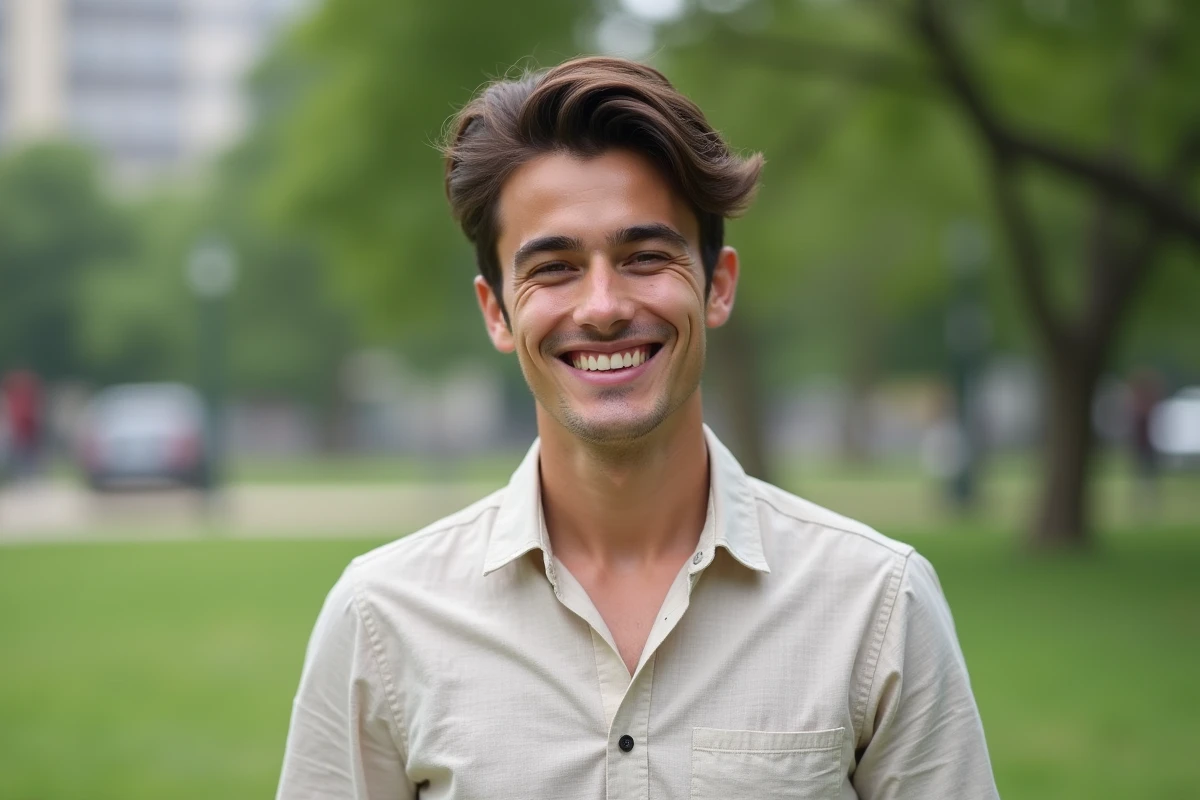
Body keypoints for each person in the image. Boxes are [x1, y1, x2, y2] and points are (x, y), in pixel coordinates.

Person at [276, 56, 998, 799]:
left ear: (717, 287)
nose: (602, 306)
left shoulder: (876, 603)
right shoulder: (381, 618)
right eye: (553, 267)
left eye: (645, 256)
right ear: (497, 312)